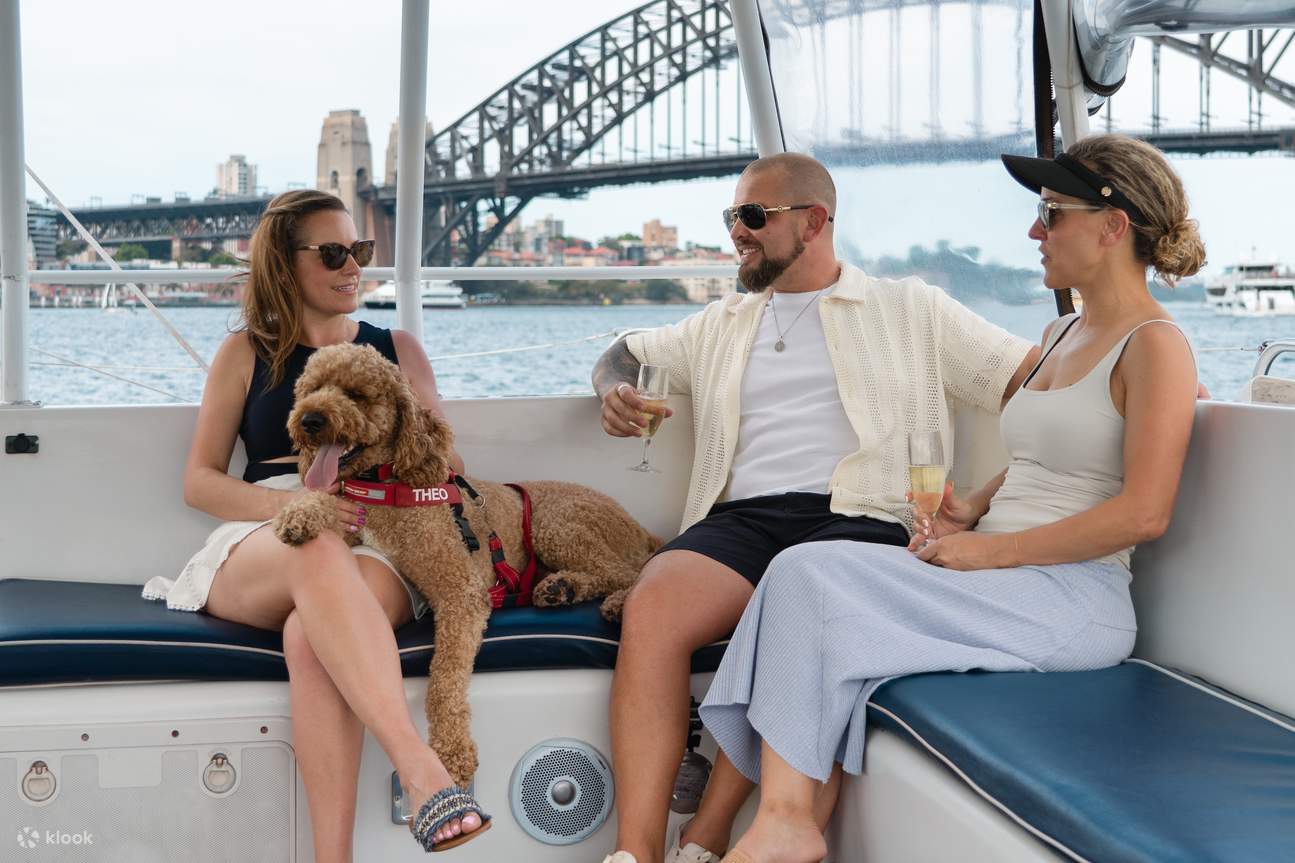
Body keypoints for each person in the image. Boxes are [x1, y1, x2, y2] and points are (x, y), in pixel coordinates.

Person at [695, 134, 1203, 863]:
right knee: (810, 579)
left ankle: (778, 822)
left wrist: (985, 551)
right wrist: (973, 506)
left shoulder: (1155, 345)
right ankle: (789, 823)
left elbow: (1143, 512)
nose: (1034, 231)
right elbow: (1048, 452)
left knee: (810, 575)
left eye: (1051, 213)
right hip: (1011, 579)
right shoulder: (1062, 330)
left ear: (1111, 225)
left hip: (1072, 600)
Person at [592, 153, 1043, 863]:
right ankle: (636, 851)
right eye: (730, 217)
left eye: (751, 216)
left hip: (862, 515)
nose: (735, 233)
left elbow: (1031, 377)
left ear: (813, 221)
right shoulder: (721, 323)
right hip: (741, 518)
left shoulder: (909, 308)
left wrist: (1145, 383)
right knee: (653, 608)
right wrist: (612, 389)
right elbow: (622, 352)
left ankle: (705, 838)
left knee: (799, 599)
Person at [140, 190, 487, 857]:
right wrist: (295, 507)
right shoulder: (246, 351)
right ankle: (422, 770)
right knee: (315, 543)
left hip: (379, 535)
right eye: (334, 253)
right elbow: (201, 479)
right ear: (285, 261)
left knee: (310, 637)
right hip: (267, 535)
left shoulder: (395, 348)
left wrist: (394, 446)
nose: (353, 265)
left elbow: (446, 461)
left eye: (359, 250)